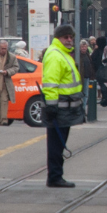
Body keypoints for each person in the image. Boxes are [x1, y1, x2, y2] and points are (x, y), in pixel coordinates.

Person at [39, 24, 83, 189]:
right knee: (56, 144)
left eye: (71, 37)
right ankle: (55, 177)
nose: (69, 40)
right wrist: (51, 106)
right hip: (60, 110)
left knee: (58, 143)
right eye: (66, 37)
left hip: (65, 109)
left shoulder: (62, 54)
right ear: (58, 38)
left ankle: (56, 175)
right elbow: (51, 83)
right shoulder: (56, 56)